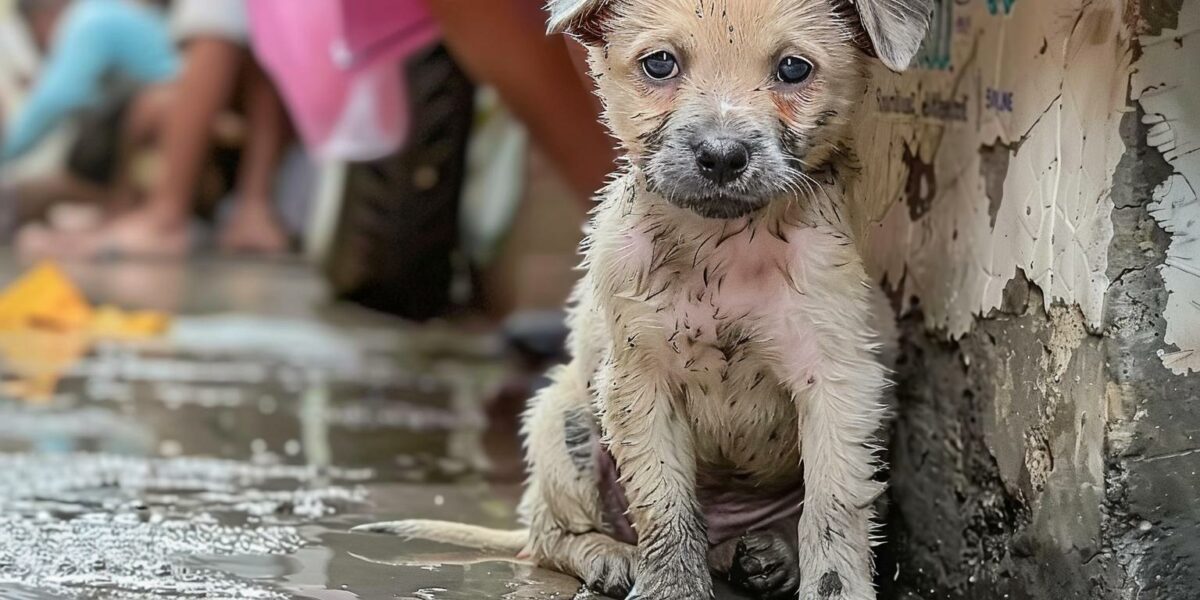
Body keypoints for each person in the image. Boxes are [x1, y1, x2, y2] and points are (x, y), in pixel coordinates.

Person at [19, 0, 292, 258]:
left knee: (149, 107)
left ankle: (164, 217)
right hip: (214, 128)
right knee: (148, 105)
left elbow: (55, 100)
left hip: (205, 131)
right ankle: (137, 211)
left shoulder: (91, 18)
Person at [1, 0, 178, 162]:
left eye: (33, 36)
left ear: (42, 18)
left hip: (179, 111)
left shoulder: (87, 19)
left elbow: (55, 100)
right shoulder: (103, 9)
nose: (40, 45)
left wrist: (4, 153)